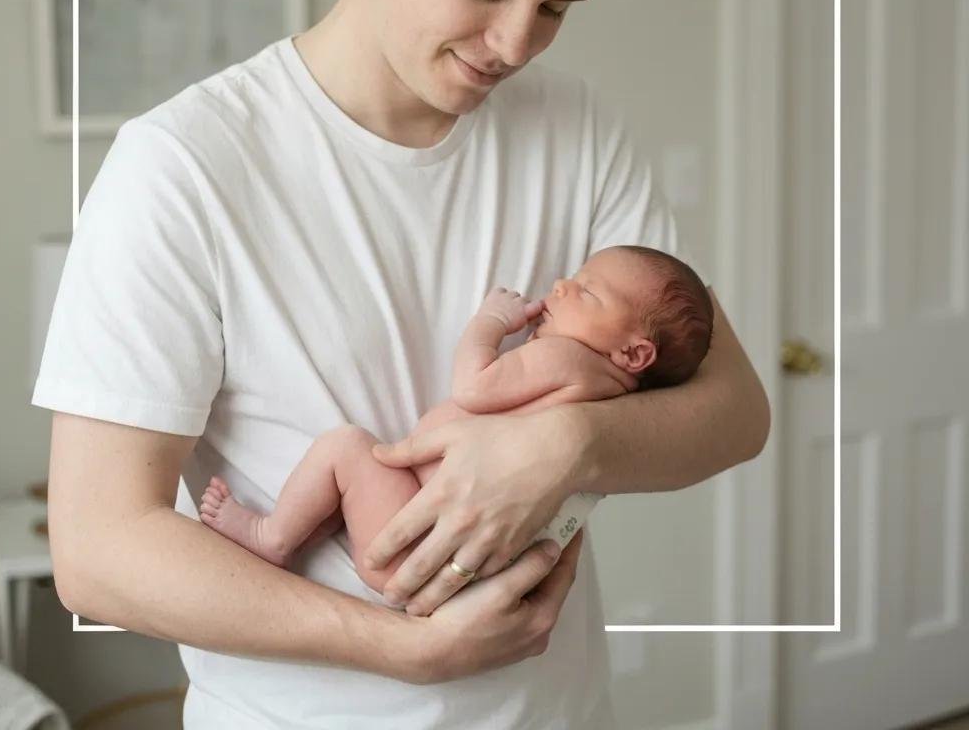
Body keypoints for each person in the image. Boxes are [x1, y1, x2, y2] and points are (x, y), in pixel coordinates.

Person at [33, 0, 769, 730]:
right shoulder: (181, 168)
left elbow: (735, 413)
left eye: (555, 7)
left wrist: (561, 444)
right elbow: (95, 549)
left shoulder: (578, 128)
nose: (515, 44)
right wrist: (402, 647)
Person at [196, 246, 714, 607]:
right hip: (468, 567)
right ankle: (315, 526)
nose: (561, 285)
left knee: (347, 447)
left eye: (586, 291)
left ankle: (274, 537)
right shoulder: (608, 396)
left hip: (411, 543)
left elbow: (475, 388)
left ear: (634, 351)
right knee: (354, 481)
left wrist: (489, 323)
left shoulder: (566, 358)